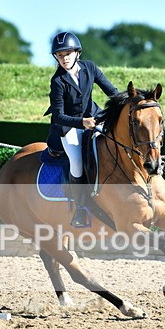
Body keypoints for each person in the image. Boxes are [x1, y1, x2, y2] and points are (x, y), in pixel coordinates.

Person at [45, 31, 119, 228]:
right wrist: (82, 123)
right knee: (77, 162)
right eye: (60, 55)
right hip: (68, 127)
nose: (64, 58)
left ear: (77, 53)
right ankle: (80, 208)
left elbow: (112, 92)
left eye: (68, 53)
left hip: (93, 117)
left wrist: (129, 101)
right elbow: (58, 115)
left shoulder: (89, 68)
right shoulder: (58, 81)